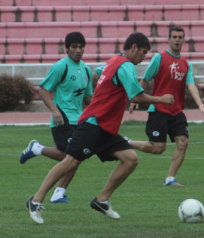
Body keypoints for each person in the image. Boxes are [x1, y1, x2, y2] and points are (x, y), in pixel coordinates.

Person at [26, 32, 174, 224]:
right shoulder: (125, 65)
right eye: (143, 53)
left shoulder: (113, 61)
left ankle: (102, 200)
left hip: (106, 127)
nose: (143, 58)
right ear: (134, 47)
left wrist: (107, 90)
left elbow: (99, 71)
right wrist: (160, 99)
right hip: (93, 124)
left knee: (130, 159)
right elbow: (136, 96)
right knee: (70, 161)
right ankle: (36, 201)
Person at [128, 26, 204, 186]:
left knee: (183, 142)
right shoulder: (159, 58)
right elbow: (145, 80)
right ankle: (128, 142)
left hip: (176, 111)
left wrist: (200, 104)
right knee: (158, 148)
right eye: (174, 37)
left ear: (183, 40)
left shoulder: (186, 63)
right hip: (158, 110)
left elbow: (191, 84)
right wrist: (135, 99)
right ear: (169, 39)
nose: (177, 40)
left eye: (180, 37)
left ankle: (170, 178)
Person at [20, 32, 93, 203]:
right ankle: (36, 149)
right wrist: (54, 110)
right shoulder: (61, 66)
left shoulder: (86, 71)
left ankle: (59, 192)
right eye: (74, 47)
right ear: (67, 48)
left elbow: (88, 97)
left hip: (79, 119)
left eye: (81, 47)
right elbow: (43, 90)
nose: (78, 50)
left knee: (77, 156)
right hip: (62, 118)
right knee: (70, 156)